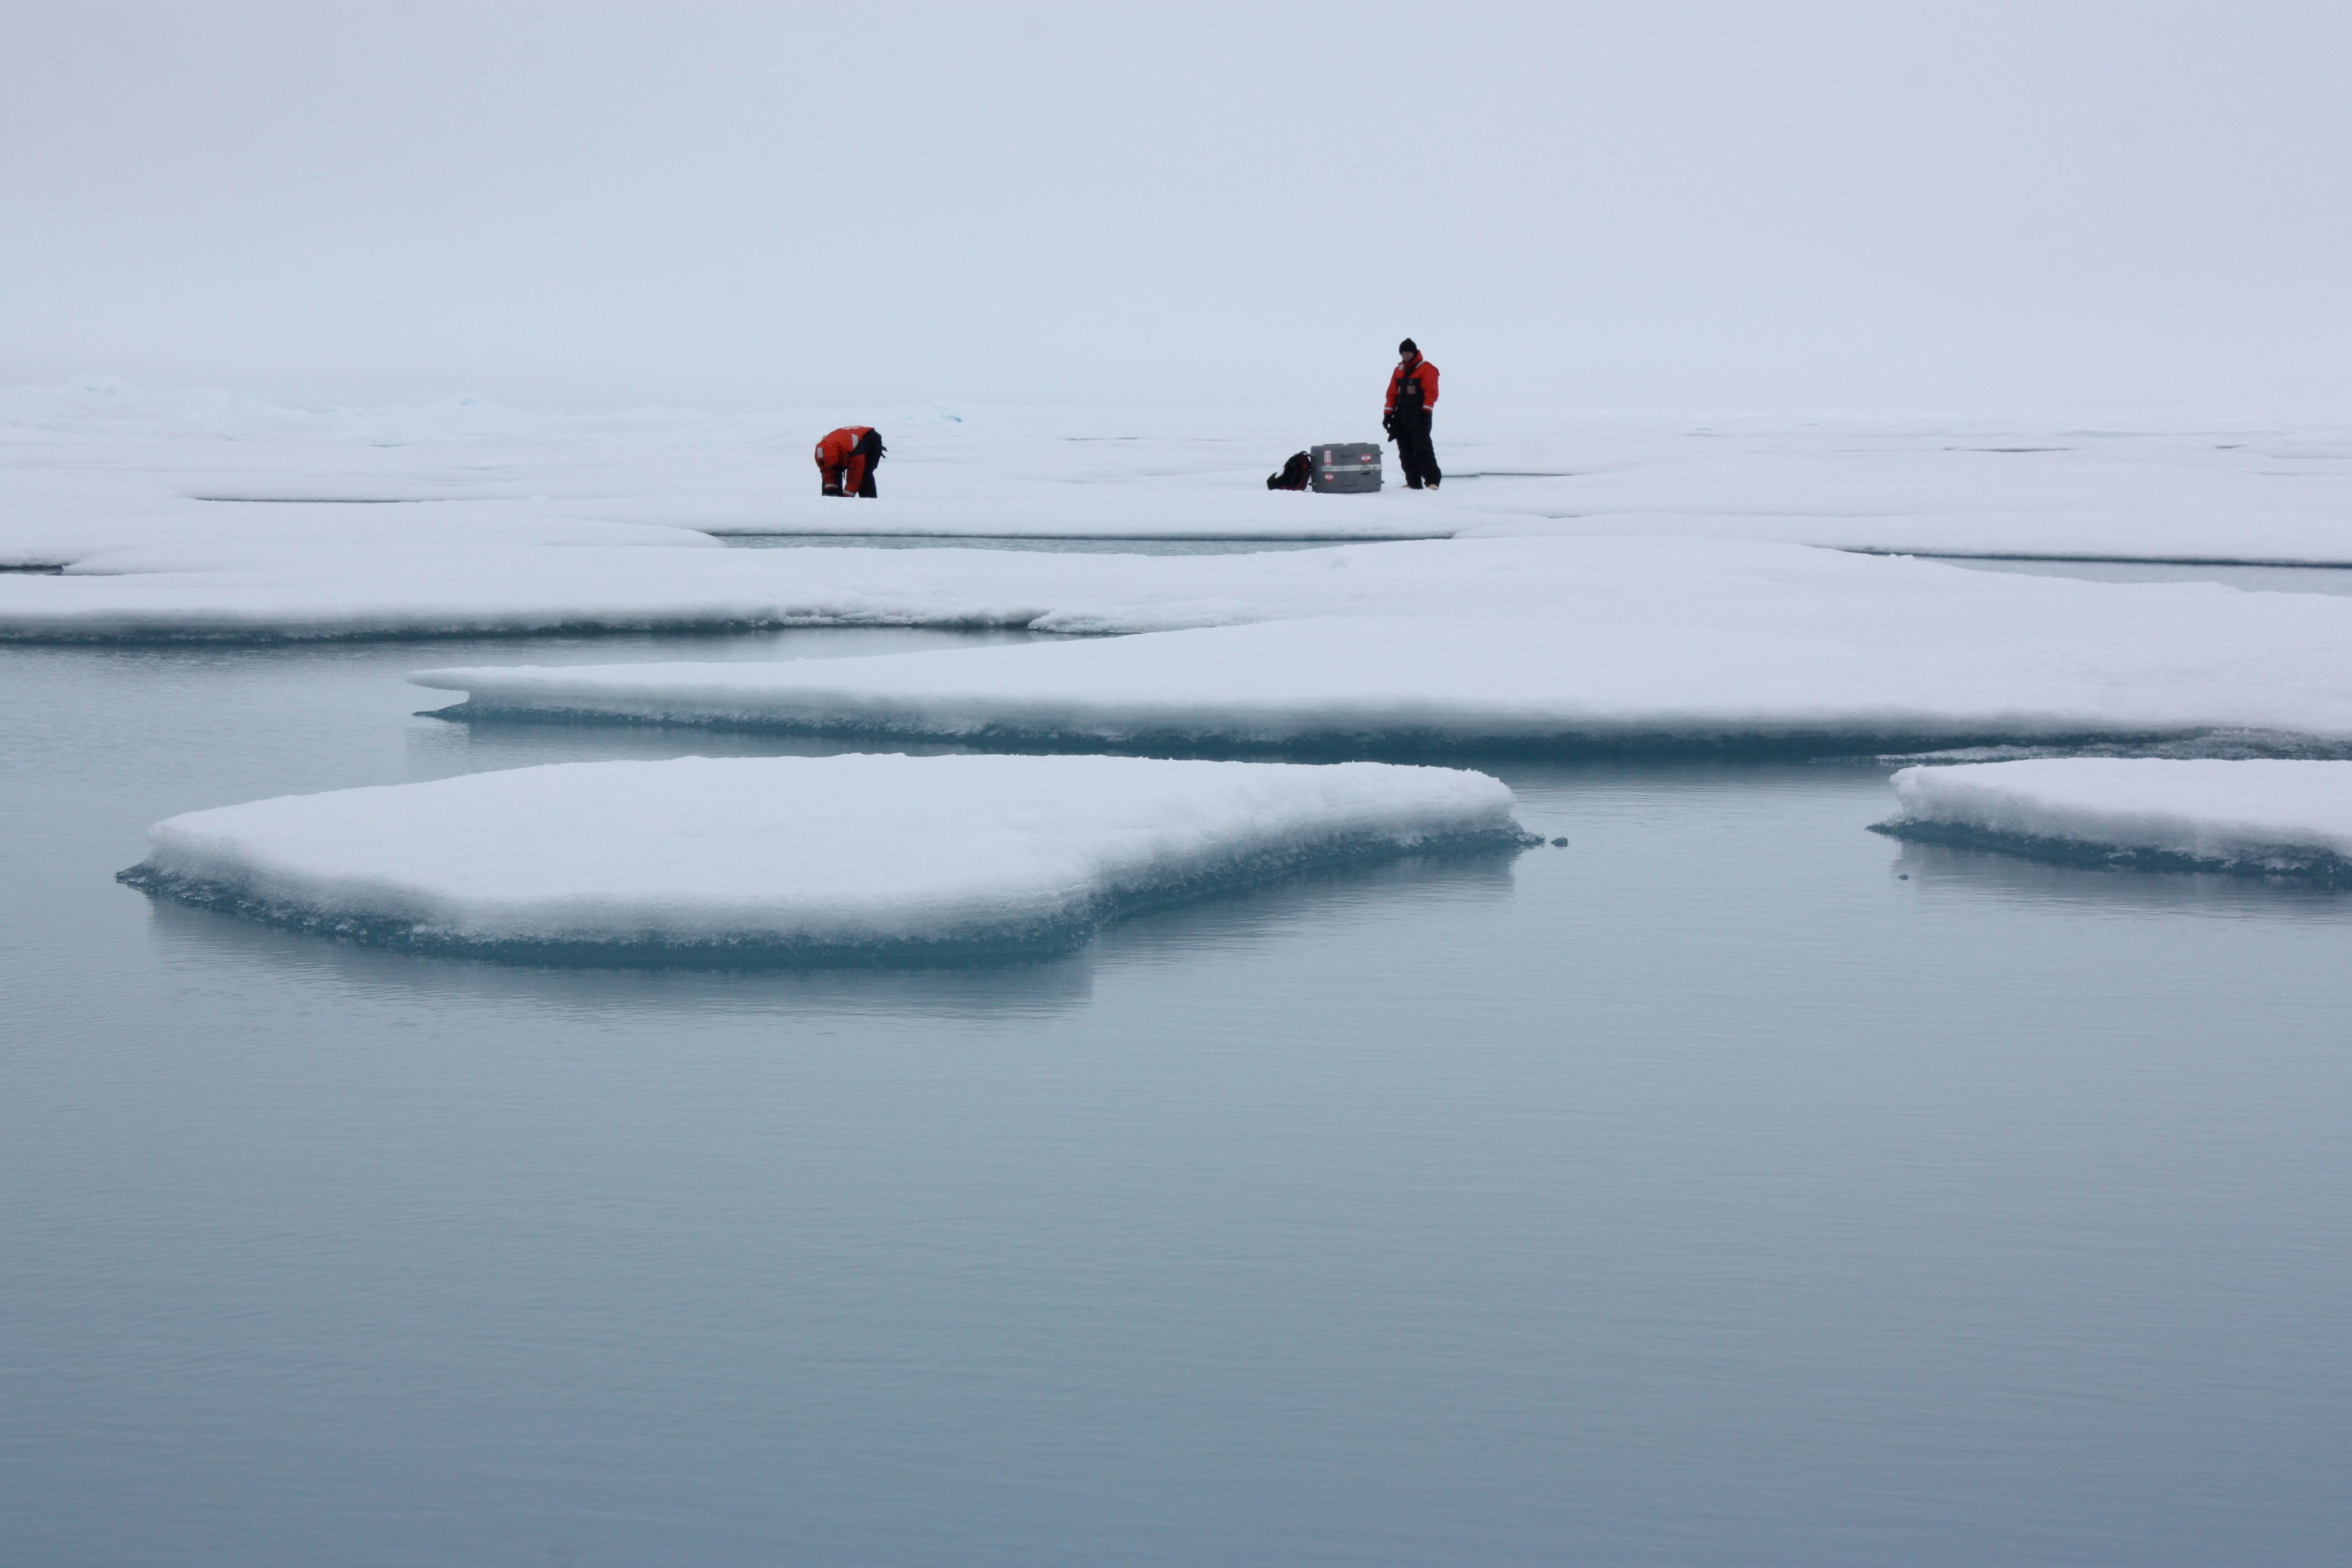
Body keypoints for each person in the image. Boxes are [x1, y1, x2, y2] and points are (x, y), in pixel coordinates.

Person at [1382, 339, 1441, 490]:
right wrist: (1388, 414)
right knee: (1405, 451)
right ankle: (1413, 483)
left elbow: (1431, 393)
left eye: (1408, 352)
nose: (1406, 355)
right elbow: (1392, 394)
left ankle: (1432, 481)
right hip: (1401, 416)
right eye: (1403, 352)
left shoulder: (1427, 369)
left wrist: (1426, 411)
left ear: (1414, 352)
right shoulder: (1399, 370)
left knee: (1422, 449)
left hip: (1420, 416)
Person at [815, 426, 886, 497]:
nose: (829, 468)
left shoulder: (856, 451)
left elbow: (856, 474)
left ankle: (869, 502)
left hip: (869, 440)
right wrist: (830, 491)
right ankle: (831, 500)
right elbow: (827, 471)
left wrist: (847, 497)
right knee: (834, 471)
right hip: (845, 444)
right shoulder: (823, 451)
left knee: (864, 475)